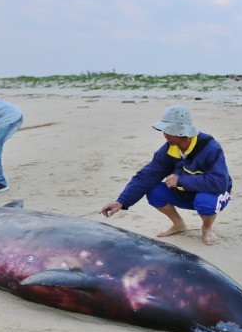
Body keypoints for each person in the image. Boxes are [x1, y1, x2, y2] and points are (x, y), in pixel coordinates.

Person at [99, 105, 232, 246]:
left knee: (204, 202)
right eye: (164, 131)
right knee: (154, 192)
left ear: (183, 133)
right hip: (185, 193)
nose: (165, 135)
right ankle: (179, 224)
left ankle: (207, 229)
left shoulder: (210, 148)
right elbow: (147, 175)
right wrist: (122, 201)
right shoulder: (170, 147)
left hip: (213, 194)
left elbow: (220, 182)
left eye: (169, 131)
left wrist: (181, 180)